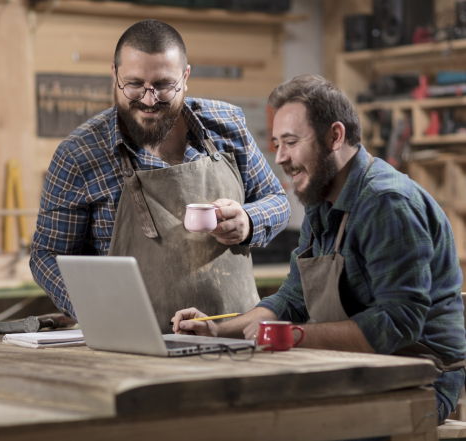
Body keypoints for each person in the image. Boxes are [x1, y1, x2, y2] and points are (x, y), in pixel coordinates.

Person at [172, 74, 466, 424]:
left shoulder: (387, 203)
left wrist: (294, 336)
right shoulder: (322, 200)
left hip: (422, 378)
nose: (279, 157)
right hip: (360, 367)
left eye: (291, 142)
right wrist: (219, 332)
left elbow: (398, 322)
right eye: (276, 143)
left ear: (335, 136)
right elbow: (292, 300)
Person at [30, 19, 290, 332]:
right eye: (135, 84)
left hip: (233, 336)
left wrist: (249, 221)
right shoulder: (79, 154)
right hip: (133, 342)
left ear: (185, 76)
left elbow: (278, 201)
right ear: (115, 76)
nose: (149, 100)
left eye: (164, 85)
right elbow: (47, 255)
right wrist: (93, 306)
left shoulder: (227, 125)